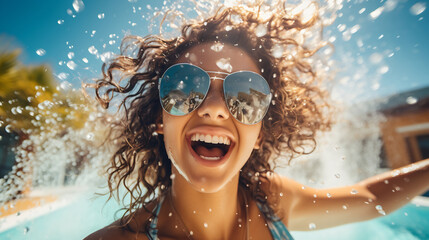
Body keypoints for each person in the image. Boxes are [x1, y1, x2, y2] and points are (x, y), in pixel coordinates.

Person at [84, 3, 429, 240]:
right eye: (186, 86)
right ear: (159, 118)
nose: (215, 108)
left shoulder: (269, 198)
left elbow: (371, 197)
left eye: (246, 95)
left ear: (262, 132)